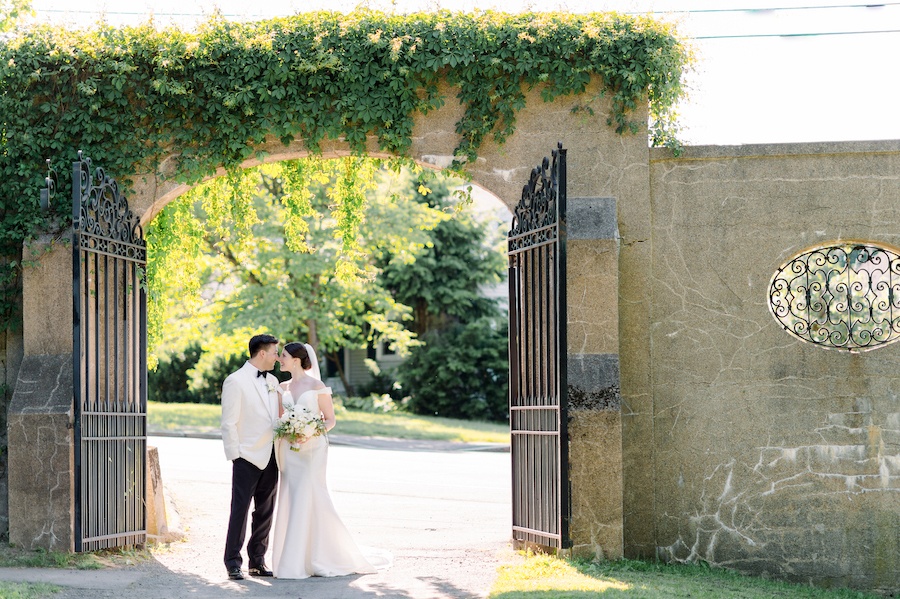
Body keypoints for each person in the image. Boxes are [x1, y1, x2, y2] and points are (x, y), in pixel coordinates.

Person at [270, 341, 379, 579]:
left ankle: (319, 556)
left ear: (297, 360)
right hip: (289, 449)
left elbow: (330, 420)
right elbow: (280, 418)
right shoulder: (282, 387)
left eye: (284, 356)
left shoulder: (317, 386)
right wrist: (289, 431)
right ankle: (296, 558)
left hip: (313, 450)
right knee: (292, 495)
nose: (280, 359)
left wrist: (309, 432)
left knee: (310, 494)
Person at [220, 333, 281, 581]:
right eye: (275, 352)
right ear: (263, 353)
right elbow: (228, 423)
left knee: (265, 512)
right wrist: (236, 456)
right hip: (246, 456)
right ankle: (232, 562)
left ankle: (257, 561)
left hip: (271, 455)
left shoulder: (274, 380)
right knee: (240, 510)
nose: (278, 357)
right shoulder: (235, 381)